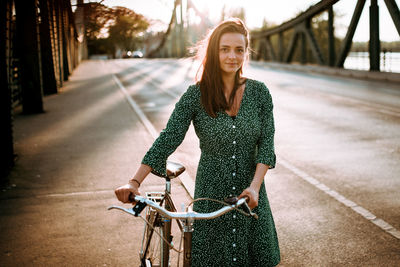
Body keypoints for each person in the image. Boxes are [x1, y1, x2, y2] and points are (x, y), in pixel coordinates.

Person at [115, 18, 280, 266]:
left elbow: (267, 146)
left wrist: (255, 186)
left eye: (239, 49)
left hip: (251, 196)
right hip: (210, 195)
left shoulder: (260, 93)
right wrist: (134, 181)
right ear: (214, 52)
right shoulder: (196, 96)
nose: (233, 56)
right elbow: (168, 138)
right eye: (225, 49)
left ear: (246, 52)